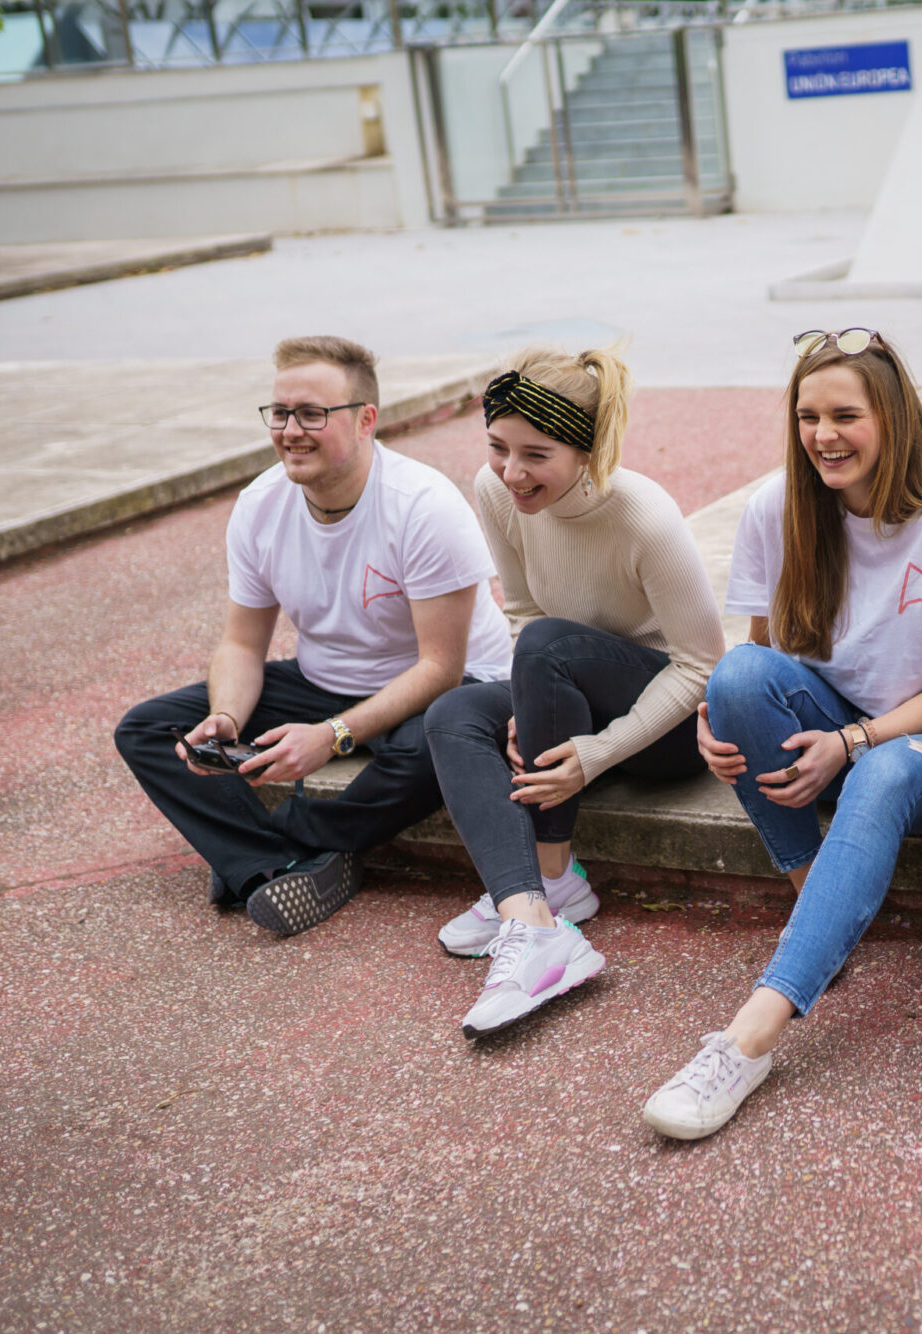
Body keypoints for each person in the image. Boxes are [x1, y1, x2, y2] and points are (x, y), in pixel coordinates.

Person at [641, 327, 922, 1141]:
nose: (823, 436)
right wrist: (715, 723)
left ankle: (749, 1037)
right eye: (808, 417)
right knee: (735, 681)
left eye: (845, 416)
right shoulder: (777, 507)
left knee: (878, 772)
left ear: (892, 419)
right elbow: (760, 654)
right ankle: (821, 914)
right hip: (833, 730)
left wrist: (855, 742)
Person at [114, 335, 514, 936]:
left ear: (365, 420)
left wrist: (332, 737)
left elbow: (440, 668)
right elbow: (242, 644)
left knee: (436, 746)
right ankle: (277, 866)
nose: (290, 431)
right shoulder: (260, 505)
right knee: (147, 729)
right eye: (279, 413)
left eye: (311, 414)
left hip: (443, 690)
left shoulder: (424, 506)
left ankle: (278, 845)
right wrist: (225, 717)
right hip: (324, 680)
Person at [423, 345, 724, 1037]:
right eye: (498, 447)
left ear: (588, 451)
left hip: (670, 725)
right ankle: (532, 907)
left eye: (537, 455)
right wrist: (531, 708)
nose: (511, 472)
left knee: (546, 644)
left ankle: (553, 872)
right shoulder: (496, 491)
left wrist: (596, 752)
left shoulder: (644, 516)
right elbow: (524, 609)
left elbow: (701, 665)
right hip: (567, 686)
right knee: (453, 713)